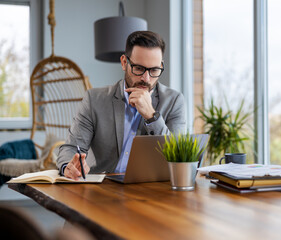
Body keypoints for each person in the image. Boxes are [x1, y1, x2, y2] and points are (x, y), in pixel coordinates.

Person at [56, 31, 186, 180]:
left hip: (150, 189)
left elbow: (179, 158)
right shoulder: (94, 100)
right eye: (139, 68)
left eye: (154, 70)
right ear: (124, 62)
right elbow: (71, 148)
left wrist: (152, 116)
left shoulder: (174, 101)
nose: (146, 78)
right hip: (103, 189)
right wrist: (69, 167)